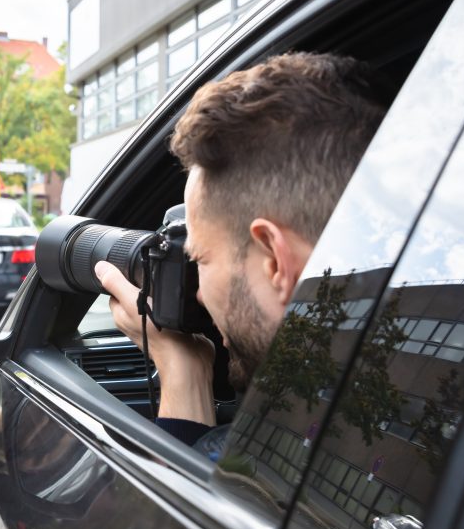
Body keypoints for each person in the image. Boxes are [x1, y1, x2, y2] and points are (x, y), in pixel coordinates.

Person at [96, 52, 386, 445]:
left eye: (200, 258)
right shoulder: (385, 400)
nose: (197, 292)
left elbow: (186, 507)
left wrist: (183, 375)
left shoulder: (296, 443)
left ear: (275, 263)